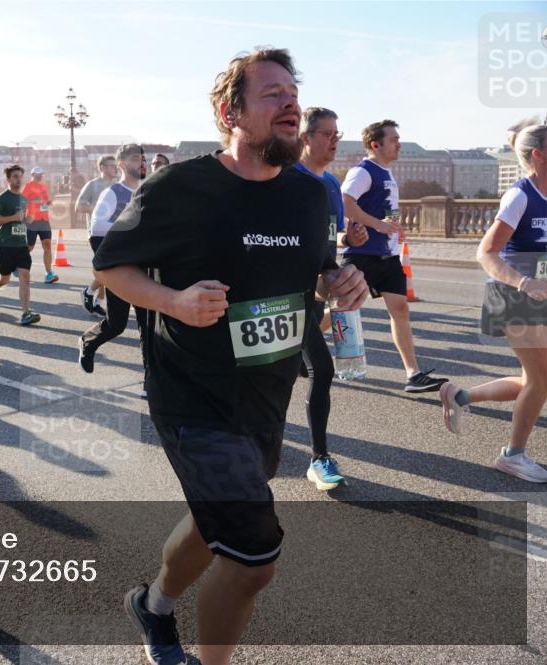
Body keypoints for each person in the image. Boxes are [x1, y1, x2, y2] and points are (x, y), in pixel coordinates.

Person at [92, 49, 367, 665]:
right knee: (253, 555)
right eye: (272, 94)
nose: (290, 103)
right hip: (192, 395)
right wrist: (174, 301)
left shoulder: (308, 194)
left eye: (293, 93)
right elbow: (110, 267)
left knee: (212, 519)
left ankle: (153, 605)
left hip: (266, 395)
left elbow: (317, 270)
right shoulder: (180, 187)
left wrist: (338, 281)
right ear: (230, 113)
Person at [440, 120, 547, 483]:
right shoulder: (520, 196)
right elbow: (485, 252)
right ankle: (513, 456)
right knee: (541, 379)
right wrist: (524, 282)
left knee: (533, 379)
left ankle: (461, 396)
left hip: (537, 296)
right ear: (539, 155)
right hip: (513, 295)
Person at [340, 119, 448, 393]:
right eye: (394, 139)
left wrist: (394, 228)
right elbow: (345, 202)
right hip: (364, 254)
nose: (399, 144)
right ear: (375, 144)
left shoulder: (386, 173)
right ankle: (303, 345)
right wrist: (377, 225)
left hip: (387, 256)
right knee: (343, 309)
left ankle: (413, 374)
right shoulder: (363, 171)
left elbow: (386, 209)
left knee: (400, 310)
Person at [294, 107, 370, 490]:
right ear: (305, 138)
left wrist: (347, 238)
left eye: (337, 134)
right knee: (321, 369)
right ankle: (319, 458)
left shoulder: (330, 186)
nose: (335, 140)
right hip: (288, 293)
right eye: (328, 134)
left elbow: (331, 235)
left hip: (320, 289)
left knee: (298, 367)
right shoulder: (287, 180)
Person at [79, 143, 148, 373]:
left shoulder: (148, 191)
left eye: (143, 159)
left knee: (147, 324)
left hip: (144, 266)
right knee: (116, 324)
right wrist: (131, 228)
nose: (142, 163)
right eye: (135, 159)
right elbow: (97, 227)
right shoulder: (113, 193)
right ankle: (88, 342)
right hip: (120, 268)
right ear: (121, 165)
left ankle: (151, 379)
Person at [0, 165, 41, 326]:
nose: (18, 179)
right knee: (4, 279)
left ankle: (26, 313)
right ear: (8, 179)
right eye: (15, 176)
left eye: (20, 176)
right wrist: (13, 217)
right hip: (5, 245)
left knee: (25, 276)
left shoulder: (23, 199)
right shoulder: (2, 198)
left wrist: (27, 220)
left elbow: (22, 219)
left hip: (21, 245)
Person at [76, 155, 119, 316]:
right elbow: (79, 206)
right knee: (106, 268)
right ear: (102, 167)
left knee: (107, 268)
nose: (115, 168)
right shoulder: (92, 185)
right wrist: (98, 208)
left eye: (116, 165)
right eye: (111, 165)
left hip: (114, 233)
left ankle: (97, 301)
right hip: (97, 234)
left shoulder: (117, 186)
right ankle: (89, 293)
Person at [22, 166, 58, 284]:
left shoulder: (43, 186)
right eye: (37, 175)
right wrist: (33, 201)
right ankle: (18, 263)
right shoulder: (28, 186)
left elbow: (45, 202)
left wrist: (48, 202)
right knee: (30, 247)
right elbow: (21, 201)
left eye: (41, 174)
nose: (40, 176)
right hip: (32, 221)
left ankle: (49, 274)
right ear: (32, 175)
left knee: (47, 246)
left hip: (44, 220)